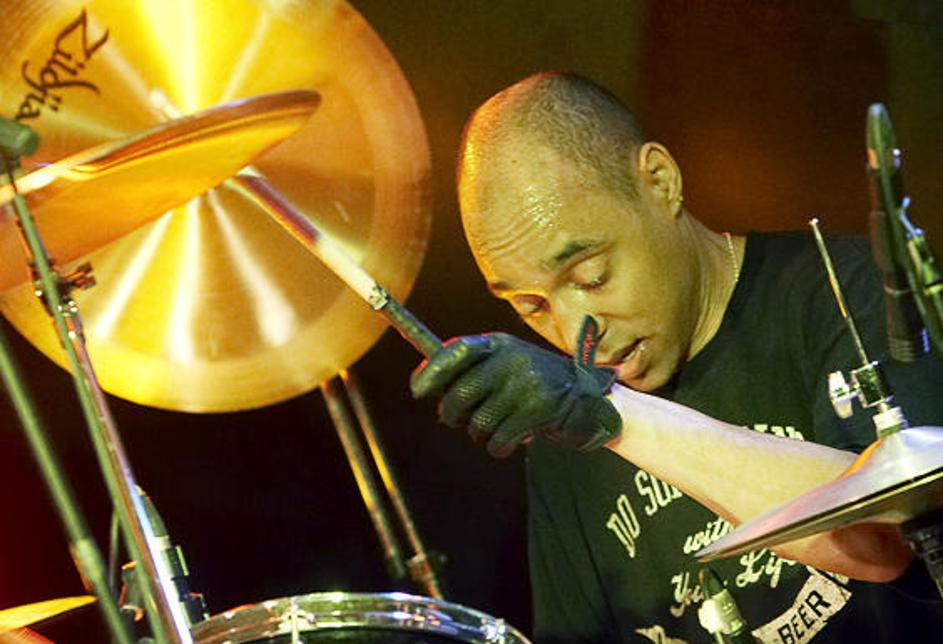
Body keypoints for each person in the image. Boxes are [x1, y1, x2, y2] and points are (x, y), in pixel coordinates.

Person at [410, 72, 943, 643]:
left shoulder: (841, 290)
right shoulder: (560, 437)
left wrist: (609, 414)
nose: (575, 332)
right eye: (531, 306)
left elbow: (882, 539)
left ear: (660, 182)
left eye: (592, 276)